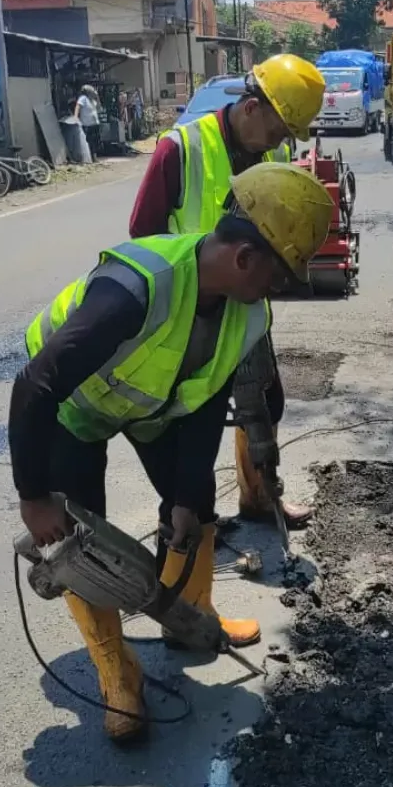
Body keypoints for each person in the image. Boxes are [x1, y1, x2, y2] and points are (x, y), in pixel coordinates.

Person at [8, 163, 334, 742]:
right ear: (244, 258)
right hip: (73, 406)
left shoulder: (246, 312)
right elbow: (36, 385)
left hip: (150, 405)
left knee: (196, 503)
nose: (278, 290)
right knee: (80, 542)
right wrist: (34, 497)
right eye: (278, 275)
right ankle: (117, 674)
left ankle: (189, 618)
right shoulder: (138, 287)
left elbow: (206, 403)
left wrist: (185, 497)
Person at [129, 53, 325, 531]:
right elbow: (143, 233)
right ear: (252, 107)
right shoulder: (181, 148)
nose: (280, 143)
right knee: (188, 419)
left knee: (264, 404)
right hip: (189, 313)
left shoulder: (274, 158)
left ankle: (259, 497)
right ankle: (186, 519)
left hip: (246, 304)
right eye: (278, 130)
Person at [75, 84, 101, 161]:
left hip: (95, 123)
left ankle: (94, 156)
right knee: (90, 141)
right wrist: (76, 117)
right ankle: (92, 157)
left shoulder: (92, 100)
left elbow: (99, 107)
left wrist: (97, 97)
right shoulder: (83, 98)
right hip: (87, 124)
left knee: (96, 141)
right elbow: (78, 106)